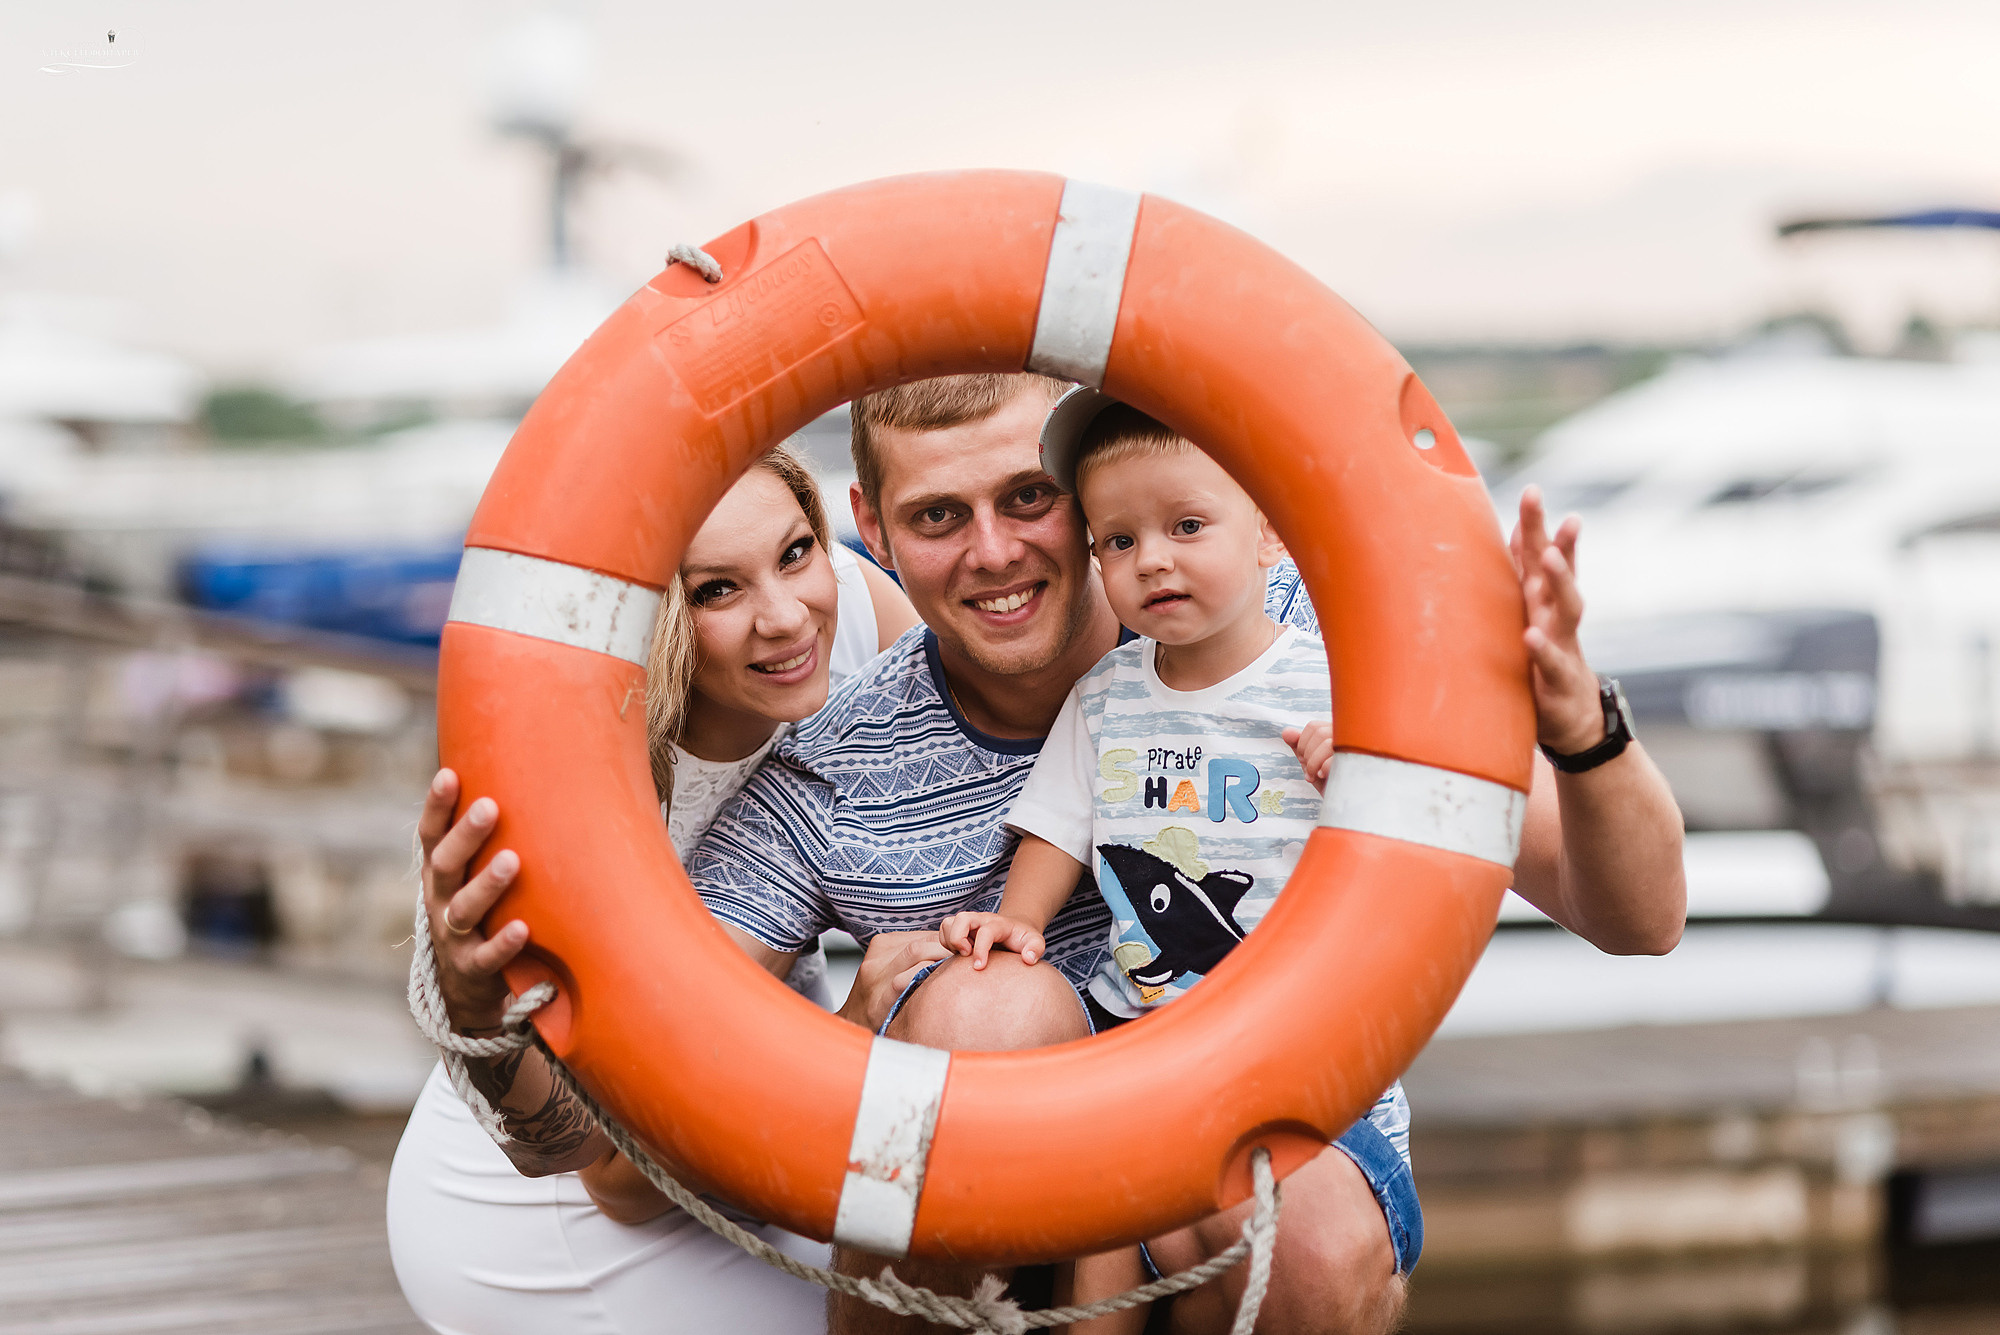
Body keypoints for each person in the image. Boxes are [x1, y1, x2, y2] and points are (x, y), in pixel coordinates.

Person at [416, 372, 1686, 1335]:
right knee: (988, 1007)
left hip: (1273, 1172)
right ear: (872, 525)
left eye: (1028, 498)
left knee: (1292, 1238)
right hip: (964, 1252)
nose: (992, 552)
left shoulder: (1291, 641)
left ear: (1085, 502)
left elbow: (1636, 918)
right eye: (936, 515)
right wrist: (488, 1019)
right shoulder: (825, 779)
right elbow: (614, 1153)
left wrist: (1581, 734)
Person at [388, 439, 917, 1335]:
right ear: (657, 612)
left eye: (795, 551)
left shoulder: (859, 614)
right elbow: (596, 1162)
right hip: (557, 1220)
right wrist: (850, 1037)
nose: (788, 616)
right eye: (718, 589)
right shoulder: (588, 792)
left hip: (766, 1143)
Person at [934, 391, 1403, 1332]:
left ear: (1270, 534)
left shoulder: (1337, 686)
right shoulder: (1105, 694)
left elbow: (1402, 878)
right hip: (1136, 1045)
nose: (1151, 559)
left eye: (1187, 525)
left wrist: (1361, 779)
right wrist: (1019, 919)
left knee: (1263, 1277)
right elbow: (1061, 823)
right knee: (1103, 1281)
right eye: (1116, 540)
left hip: (1299, 1063)